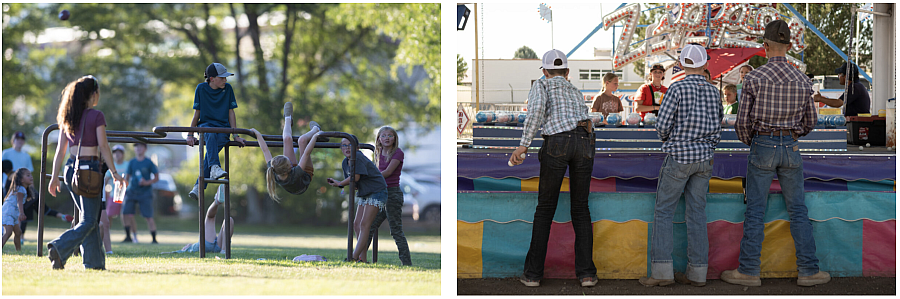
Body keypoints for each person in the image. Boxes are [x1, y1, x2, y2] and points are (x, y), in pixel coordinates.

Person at [725, 19, 830, 287]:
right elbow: (810, 122)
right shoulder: (803, 80)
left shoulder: (754, 78)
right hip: (791, 147)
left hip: (762, 144)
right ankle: (808, 271)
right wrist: (792, 135)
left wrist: (756, 142)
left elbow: (742, 123)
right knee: (798, 210)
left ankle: (748, 271)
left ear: (765, 46)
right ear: (789, 45)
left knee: (756, 210)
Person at [508, 49, 599, 288]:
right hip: (585, 142)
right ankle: (587, 274)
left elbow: (536, 113)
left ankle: (533, 275)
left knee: (545, 208)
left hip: (557, 142)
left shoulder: (542, 85)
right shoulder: (575, 90)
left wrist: (523, 145)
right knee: (580, 208)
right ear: (567, 72)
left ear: (545, 71)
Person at [638, 44, 722, 287]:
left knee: (664, 212)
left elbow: (662, 125)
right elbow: (718, 127)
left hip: (679, 157)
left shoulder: (675, 88)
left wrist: (671, 140)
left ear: (682, 64)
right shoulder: (713, 91)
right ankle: (698, 274)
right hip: (704, 158)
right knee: (697, 213)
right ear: (704, 64)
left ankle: (662, 273)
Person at [47, 75, 127, 270]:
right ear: (93, 94)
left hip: (70, 171)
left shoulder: (68, 116)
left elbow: (60, 151)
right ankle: (58, 246)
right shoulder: (96, 115)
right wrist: (115, 173)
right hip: (89, 172)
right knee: (91, 219)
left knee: (88, 218)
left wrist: (54, 178)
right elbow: (104, 146)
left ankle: (94, 263)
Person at [187, 63, 246, 201]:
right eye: (222, 78)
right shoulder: (201, 88)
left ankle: (198, 185)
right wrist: (190, 134)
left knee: (211, 152)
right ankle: (214, 167)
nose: (225, 80)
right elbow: (197, 114)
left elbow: (231, 113)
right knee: (210, 133)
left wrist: (235, 135)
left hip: (223, 129)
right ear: (212, 78)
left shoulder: (228, 89)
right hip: (206, 127)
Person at [328, 138, 387, 263]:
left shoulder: (358, 157)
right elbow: (353, 183)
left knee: (364, 224)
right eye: (344, 145)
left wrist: (339, 183)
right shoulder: (345, 162)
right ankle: (363, 259)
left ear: (357, 148)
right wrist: (341, 184)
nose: (347, 148)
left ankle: (353, 257)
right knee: (356, 224)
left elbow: (355, 177)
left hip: (376, 190)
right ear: (341, 148)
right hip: (364, 192)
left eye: (351, 145)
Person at [247, 102, 322, 202]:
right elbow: (307, 152)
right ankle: (316, 129)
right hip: (303, 179)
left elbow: (265, 150)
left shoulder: (274, 168)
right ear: (290, 166)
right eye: (289, 161)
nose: (290, 159)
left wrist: (257, 135)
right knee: (302, 140)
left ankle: (288, 119)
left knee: (287, 139)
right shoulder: (296, 173)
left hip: (290, 174)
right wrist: (315, 137)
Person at [365, 126, 412, 266]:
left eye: (390, 135)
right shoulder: (377, 152)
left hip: (392, 194)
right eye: (383, 135)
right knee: (369, 227)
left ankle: (407, 263)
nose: (386, 138)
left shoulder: (398, 153)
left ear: (394, 138)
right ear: (379, 138)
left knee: (395, 230)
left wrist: (369, 177)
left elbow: (388, 172)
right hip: (380, 193)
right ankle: (359, 257)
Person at [164, 187, 233, 254]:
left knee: (228, 220)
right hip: (206, 245)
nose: (186, 245)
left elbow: (174, 253)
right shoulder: (187, 250)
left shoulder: (189, 249)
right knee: (210, 217)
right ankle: (216, 202)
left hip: (215, 246)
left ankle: (224, 251)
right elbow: (174, 253)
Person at [122, 143, 159, 244]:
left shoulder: (149, 162)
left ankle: (154, 239)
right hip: (132, 191)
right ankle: (128, 236)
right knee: (125, 213)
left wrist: (147, 182)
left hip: (145, 192)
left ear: (145, 149)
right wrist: (123, 188)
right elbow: (127, 177)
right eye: (136, 146)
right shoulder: (132, 162)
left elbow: (156, 177)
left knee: (148, 216)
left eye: (141, 146)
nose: (138, 148)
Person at [104, 144, 129, 246]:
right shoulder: (112, 165)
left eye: (119, 152)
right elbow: (106, 179)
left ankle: (130, 235)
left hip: (127, 194)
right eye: (115, 152)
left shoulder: (127, 165)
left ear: (123, 154)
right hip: (114, 194)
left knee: (127, 215)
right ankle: (106, 234)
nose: (117, 154)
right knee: (108, 215)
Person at [2, 168, 31, 251]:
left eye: (30, 175)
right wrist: (21, 213)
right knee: (8, 232)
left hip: (12, 214)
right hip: (8, 212)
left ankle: (18, 251)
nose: (31, 177)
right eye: (28, 175)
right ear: (21, 180)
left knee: (18, 232)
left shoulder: (22, 188)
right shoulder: (20, 189)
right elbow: (19, 201)